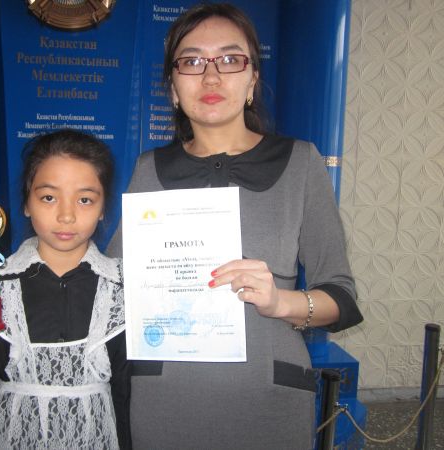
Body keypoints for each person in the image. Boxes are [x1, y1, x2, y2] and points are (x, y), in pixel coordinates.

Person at [106, 3, 363, 449]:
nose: (210, 77)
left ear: (252, 79)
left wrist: (279, 301)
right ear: (173, 87)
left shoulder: (301, 162)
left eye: (229, 59)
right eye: (191, 62)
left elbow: (341, 298)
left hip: (268, 399)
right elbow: (112, 287)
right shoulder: (150, 169)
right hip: (165, 400)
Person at [0, 129, 131, 449]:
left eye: (85, 199)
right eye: (49, 197)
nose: (66, 216)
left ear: (103, 207)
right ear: (26, 203)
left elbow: (127, 400)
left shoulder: (123, 287)